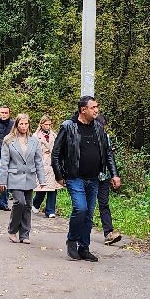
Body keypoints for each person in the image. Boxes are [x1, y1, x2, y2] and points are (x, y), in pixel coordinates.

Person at [49, 94, 114, 262]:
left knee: (89, 214)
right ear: (83, 110)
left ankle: (84, 248)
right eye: (93, 107)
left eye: (97, 107)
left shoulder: (99, 128)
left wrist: (114, 174)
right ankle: (72, 239)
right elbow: (56, 153)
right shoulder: (68, 126)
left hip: (94, 178)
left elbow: (107, 153)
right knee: (81, 208)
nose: (97, 110)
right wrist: (59, 175)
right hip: (74, 177)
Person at [0, 113, 48, 243]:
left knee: (27, 206)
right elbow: (4, 162)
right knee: (19, 202)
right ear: (17, 124)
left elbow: (38, 161)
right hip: (14, 176)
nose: (24, 126)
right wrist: (2, 180)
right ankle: (12, 229)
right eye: (21, 124)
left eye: (26, 124)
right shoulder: (8, 140)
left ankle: (25, 234)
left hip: (29, 177)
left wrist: (42, 179)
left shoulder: (34, 140)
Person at [93, 104, 124, 245]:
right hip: (90, 177)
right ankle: (81, 233)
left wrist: (114, 175)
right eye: (101, 126)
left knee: (104, 204)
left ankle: (108, 233)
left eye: (104, 126)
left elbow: (110, 156)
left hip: (103, 177)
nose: (103, 128)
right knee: (87, 206)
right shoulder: (87, 136)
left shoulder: (106, 137)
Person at [35, 115, 59, 218]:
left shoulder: (54, 135)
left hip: (52, 163)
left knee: (52, 188)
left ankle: (50, 210)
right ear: (41, 124)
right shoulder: (36, 136)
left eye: (49, 124)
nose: (48, 126)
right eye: (46, 124)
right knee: (42, 188)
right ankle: (35, 203)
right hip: (42, 163)